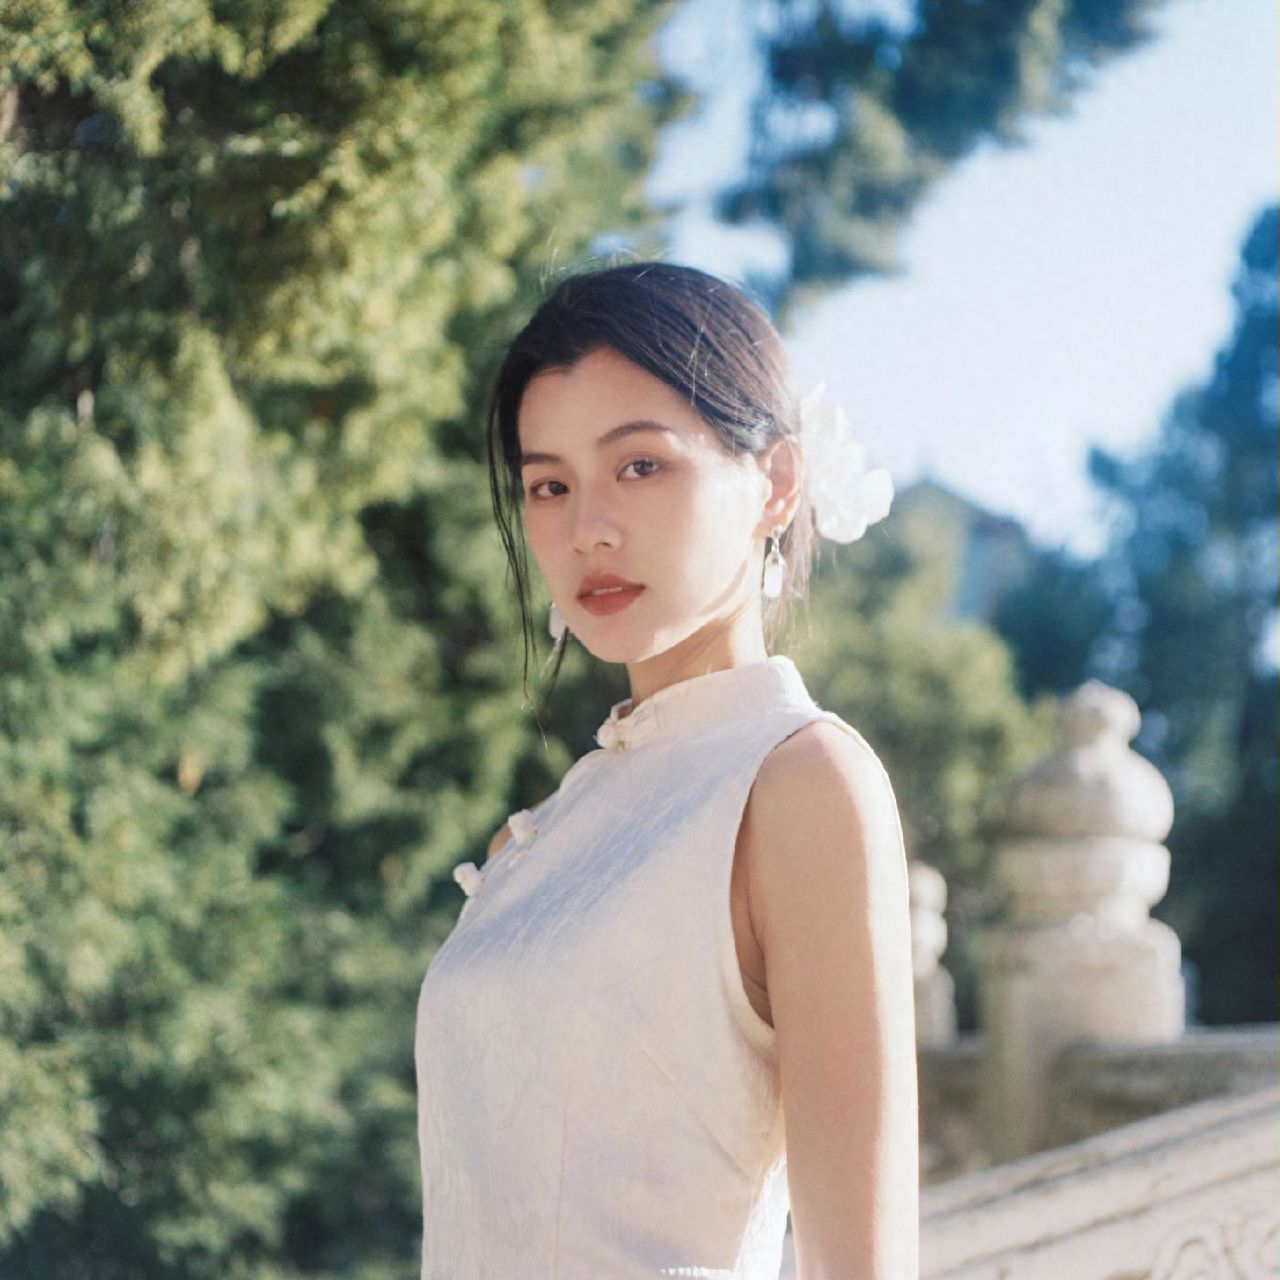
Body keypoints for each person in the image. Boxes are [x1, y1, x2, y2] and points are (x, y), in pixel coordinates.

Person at [415, 262, 918, 1280]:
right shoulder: (545, 830)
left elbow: (859, 1261)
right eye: (548, 483)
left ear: (773, 482)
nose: (585, 525)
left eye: (638, 465)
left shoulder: (798, 779)